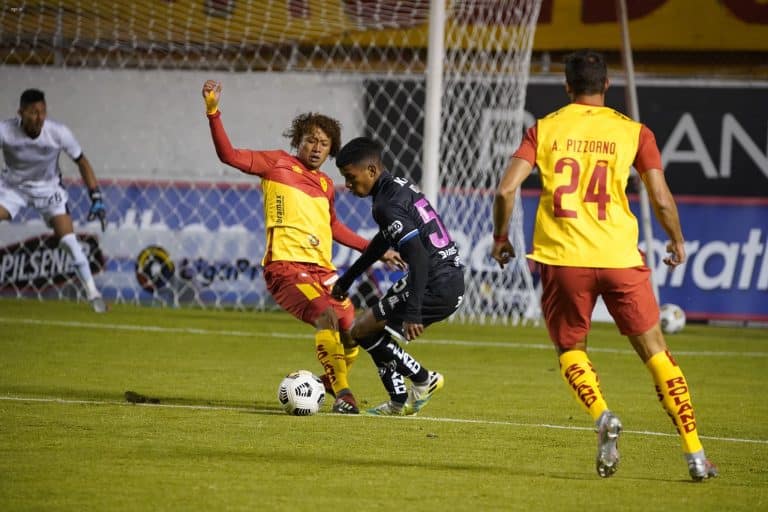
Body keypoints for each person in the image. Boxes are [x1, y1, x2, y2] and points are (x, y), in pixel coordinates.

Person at [491, 50, 717, 481]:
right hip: (619, 257)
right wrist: (676, 238)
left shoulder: (545, 128)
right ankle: (695, 455)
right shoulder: (634, 132)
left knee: (571, 349)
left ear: (567, 86)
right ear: (607, 85)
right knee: (657, 354)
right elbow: (661, 197)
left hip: (563, 259)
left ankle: (601, 415)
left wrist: (501, 239)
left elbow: (505, 192)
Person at [202, 81, 403, 414]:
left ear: (331, 150)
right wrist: (213, 111)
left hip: (323, 272)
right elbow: (229, 155)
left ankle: (322, 385)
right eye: (311, 139)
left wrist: (376, 249)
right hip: (286, 268)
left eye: (324, 143)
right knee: (326, 317)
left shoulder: (325, 184)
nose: (316, 147)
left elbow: (333, 226)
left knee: (353, 332)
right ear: (298, 140)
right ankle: (343, 395)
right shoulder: (276, 164)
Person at [332, 137, 465, 416]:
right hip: (445, 277)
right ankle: (399, 400)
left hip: (434, 280)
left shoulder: (385, 205)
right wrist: (349, 278)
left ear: (371, 170)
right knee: (366, 331)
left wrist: (414, 311)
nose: (347, 185)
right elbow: (383, 241)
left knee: (360, 331)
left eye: (350, 177)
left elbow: (416, 255)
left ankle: (421, 380)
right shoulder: (398, 186)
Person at [0, 88, 106, 313]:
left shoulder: (58, 133)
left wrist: (95, 195)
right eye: (33, 112)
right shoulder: (5, 131)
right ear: (20, 112)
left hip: (49, 191)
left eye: (42, 111)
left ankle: (93, 293)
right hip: (13, 189)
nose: (39, 117)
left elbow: (82, 161)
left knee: (69, 241)